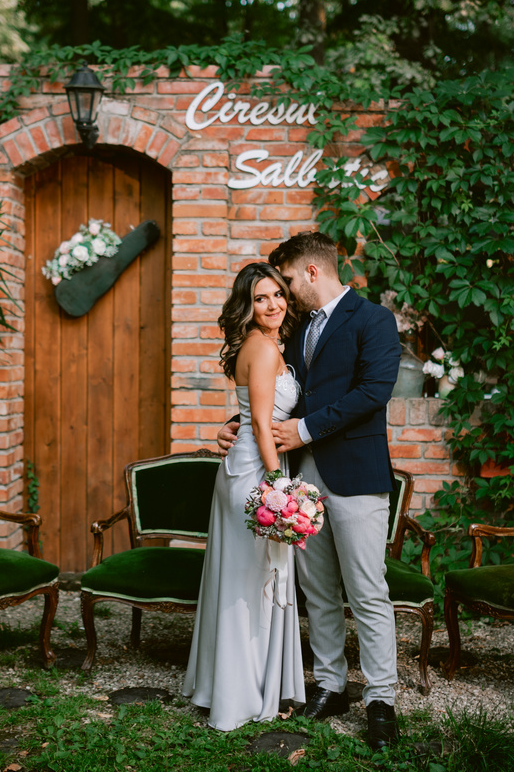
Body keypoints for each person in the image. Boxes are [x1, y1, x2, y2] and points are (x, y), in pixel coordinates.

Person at [217, 231, 402, 750]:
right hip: (301, 478)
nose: (285, 292)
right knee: (317, 590)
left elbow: (373, 392)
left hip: (356, 476)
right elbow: (278, 394)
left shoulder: (373, 320)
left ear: (312, 272)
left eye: (289, 280)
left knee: (367, 590)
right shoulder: (295, 330)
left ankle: (381, 699)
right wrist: (237, 424)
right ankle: (330, 684)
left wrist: (304, 430)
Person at [182, 262, 307, 731]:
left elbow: (250, 414)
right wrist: (279, 487)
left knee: (253, 577)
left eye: (278, 295)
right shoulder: (262, 346)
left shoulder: (265, 344)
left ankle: (244, 686)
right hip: (255, 472)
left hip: (253, 464)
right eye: (260, 298)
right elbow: (258, 422)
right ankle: (241, 695)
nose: (273, 305)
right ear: (247, 306)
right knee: (248, 581)